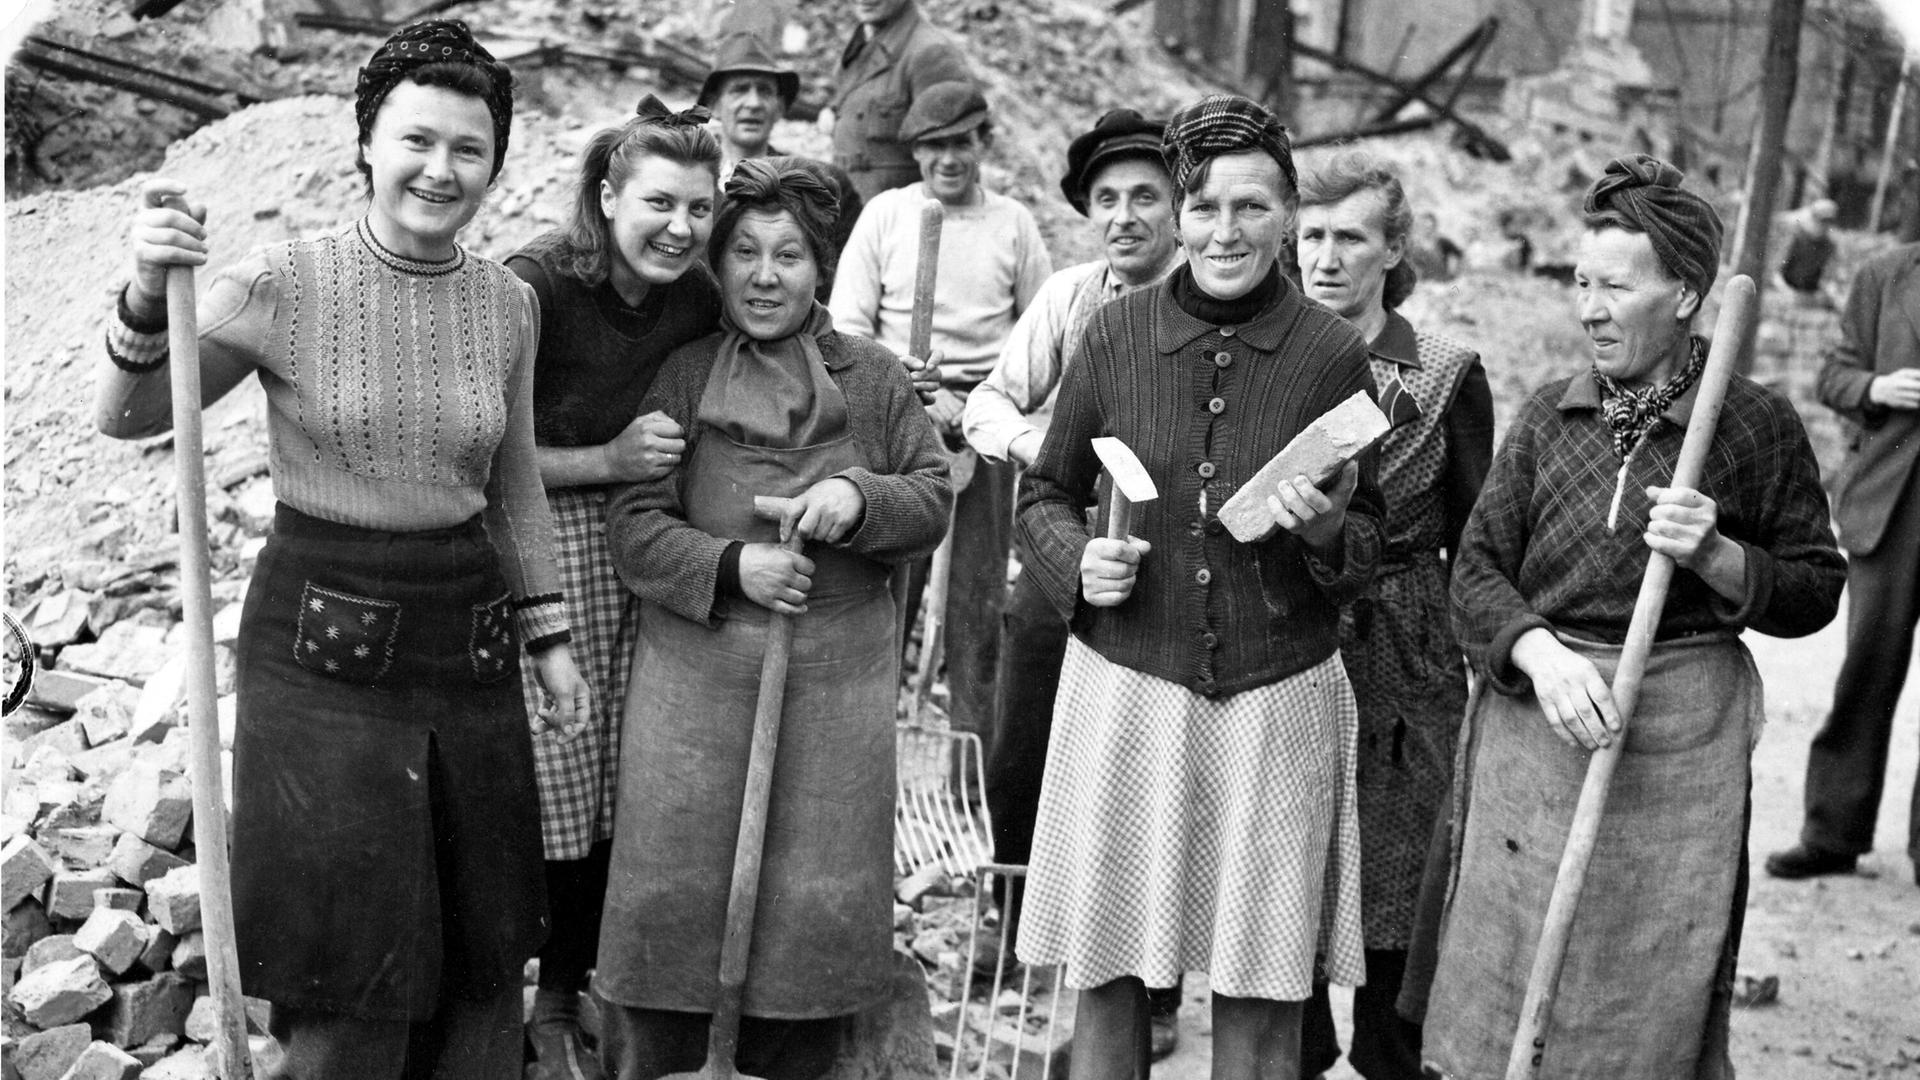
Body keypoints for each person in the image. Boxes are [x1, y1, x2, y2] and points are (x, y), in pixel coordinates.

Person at [96, 21, 590, 1078]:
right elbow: (132, 411)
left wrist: (548, 634)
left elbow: (512, 482)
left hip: (467, 641)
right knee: (350, 947)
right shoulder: (285, 281)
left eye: (469, 149)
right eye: (417, 140)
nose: (440, 169)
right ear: (367, 142)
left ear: (497, 163)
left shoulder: (508, 302)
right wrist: (145, 295)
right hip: (323, 646)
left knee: (480, 945)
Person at [1423, 154, 1845, 1077]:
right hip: (1539, 727)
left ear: (1688, 295)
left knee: (1649, 986)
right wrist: (1539, 654)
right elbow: (1478, 573)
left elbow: (1817, 588)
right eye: (1581, 282)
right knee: (1503, 969)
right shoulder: (1549, 416)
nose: (1589, 306)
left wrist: (1720, 556)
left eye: (1615, 285)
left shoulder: (1751, 424)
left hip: (1679, 742)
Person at [1015, 93, 1383, 1079]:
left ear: (1290, 216)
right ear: (1179, 216)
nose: (1227, 232)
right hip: (1127, 685)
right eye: (1208, 207)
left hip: (1278, 697)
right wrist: (1077, 562)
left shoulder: (1333, 355)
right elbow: (1042, 494)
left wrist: (1327, 530)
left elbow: (1368, 553)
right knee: (1107, 971)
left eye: (1254, 207)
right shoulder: (1112, 335)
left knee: (1261, 989)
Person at [594, 157, 951, 1080]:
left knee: (813, 909)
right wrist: (729, 564)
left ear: (819, 267)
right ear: (717, 265)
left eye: (787, 254)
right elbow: (634, 523)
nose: (764, 275)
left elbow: (932, 496)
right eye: (744, 252)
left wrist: (857, 496)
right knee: (669, 901)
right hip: (693, 681)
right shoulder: (682, 373)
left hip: (834, 685)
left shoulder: (871, 379)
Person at [958, 105, 1187, 1060]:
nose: (1125, 216)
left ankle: (1156, 989)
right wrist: (1039, 447)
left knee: (1151, 772)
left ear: (1181, 209)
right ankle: (1010, 931)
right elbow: (986, 401)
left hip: (1172, 568)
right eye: (1107, 200)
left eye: (1146, 197)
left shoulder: (1207, 295)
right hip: (1063, 548)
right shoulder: (1070, 296)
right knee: (1023, 746)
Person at [503, 97, 724, 1080]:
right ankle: (535, 999)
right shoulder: (537, 283)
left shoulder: (696, 294)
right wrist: (608, 457)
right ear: (607, 196)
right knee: (562, 772)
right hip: (547, 541)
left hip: (653, 538)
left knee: (629, 777)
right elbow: (481, 459)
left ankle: (585, 980)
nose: (680, 228)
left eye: (699, 208)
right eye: (659, 204)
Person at [1292, 150, 1492, 1080]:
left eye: (1352, 238)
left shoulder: (1445, 374)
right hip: (1291, 633)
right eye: (1314, 236)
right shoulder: (1270, 355)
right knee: (1290, 867)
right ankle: (1294, 1052)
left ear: (1393, 249)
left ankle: (1390, 1054)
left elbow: (1477, 538)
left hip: (1406, 644)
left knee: (1401, 875)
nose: (1328, 259)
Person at [831, 81, 1051, 744]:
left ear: (983, 143)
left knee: (977, 594)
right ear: (915, 153)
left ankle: (967, 753)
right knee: (888, 581)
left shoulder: (1012, 223)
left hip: (985, 418)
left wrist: (982, 403)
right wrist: (914, 392)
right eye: (932, 147)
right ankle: (868, 738)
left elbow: (1040, 329)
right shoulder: (887, 217)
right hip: (899, 407)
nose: (948, 160)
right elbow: (846, 326)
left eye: (961, 143)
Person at [1767, 239, 1920, 888]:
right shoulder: (1886, 274)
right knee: (1866, 673)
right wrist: (1876, 386)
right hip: (1889, 507)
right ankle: (1832, 833)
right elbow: (1833, 375)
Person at [698, 32, 863, 278]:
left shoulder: (820, 185)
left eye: (764, 91)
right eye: (739, 90)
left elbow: (841, 277)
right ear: (714, 105)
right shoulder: (694, 181)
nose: (753, 103)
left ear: (781, 108)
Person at [828, 0, 973, 201]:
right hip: (851, 213)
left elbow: (954, 160)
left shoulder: (930, 52)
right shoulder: (861, 43)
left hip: (901, 221)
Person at [1777, 197, 1840, 307]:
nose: (1825, 226)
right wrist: (1787, 292)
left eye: (1828, 222)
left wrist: (1830, 292)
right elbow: (1776, 275)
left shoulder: (1829, 245)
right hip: (1787, 291)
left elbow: (1830, 277)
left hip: (1810, 295)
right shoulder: (1796, 238)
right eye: (1822, 221)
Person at [1404, 210, 1464, 284]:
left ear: (1434, 227)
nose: (1427, 229)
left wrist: (1452, 274)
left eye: (1429, 226)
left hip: (1443, 283)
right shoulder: (1415, 246)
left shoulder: (1443, 242)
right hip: (1425, 284)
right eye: (1424, 226)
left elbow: (1458, 254)